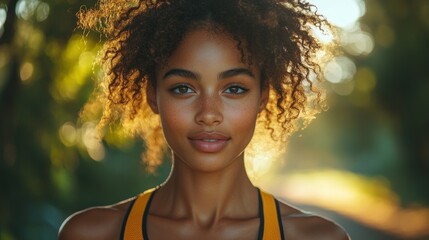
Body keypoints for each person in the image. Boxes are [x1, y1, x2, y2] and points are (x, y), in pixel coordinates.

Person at [59, 0, 350, 239]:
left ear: (262, 96)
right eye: (183, 88)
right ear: (153, 95)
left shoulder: (319, 238)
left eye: (234, 89)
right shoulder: (93, 234)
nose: (208, 113)